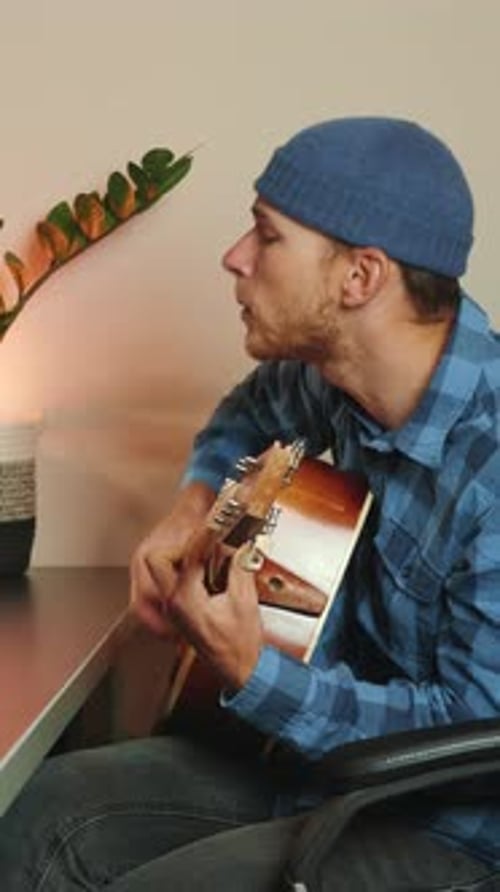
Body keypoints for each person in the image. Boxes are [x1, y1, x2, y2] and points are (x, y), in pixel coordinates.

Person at [1, 116, 500, 891]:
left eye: (267, 237)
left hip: (454, 833)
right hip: (316, 770)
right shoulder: (340, 379)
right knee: (39, 814)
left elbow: (471, 740)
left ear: (359, 278)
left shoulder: (491, 463)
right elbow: (251, 413)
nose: (235, 256)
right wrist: (191, 505)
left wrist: (251, 668)